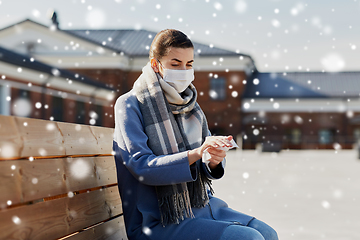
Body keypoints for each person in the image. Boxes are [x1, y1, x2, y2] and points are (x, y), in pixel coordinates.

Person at [113, 29, 278, 240]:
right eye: (175, 64)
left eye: (189, 64)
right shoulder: (130, 104)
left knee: (268, 233)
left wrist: (212, 159)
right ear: (155, 65)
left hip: (200, 207)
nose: (183, 70)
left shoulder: (190, 106)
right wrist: (196, 153)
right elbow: (142, 166)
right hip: (157, 219)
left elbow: (203, 161)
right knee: (249, 238)